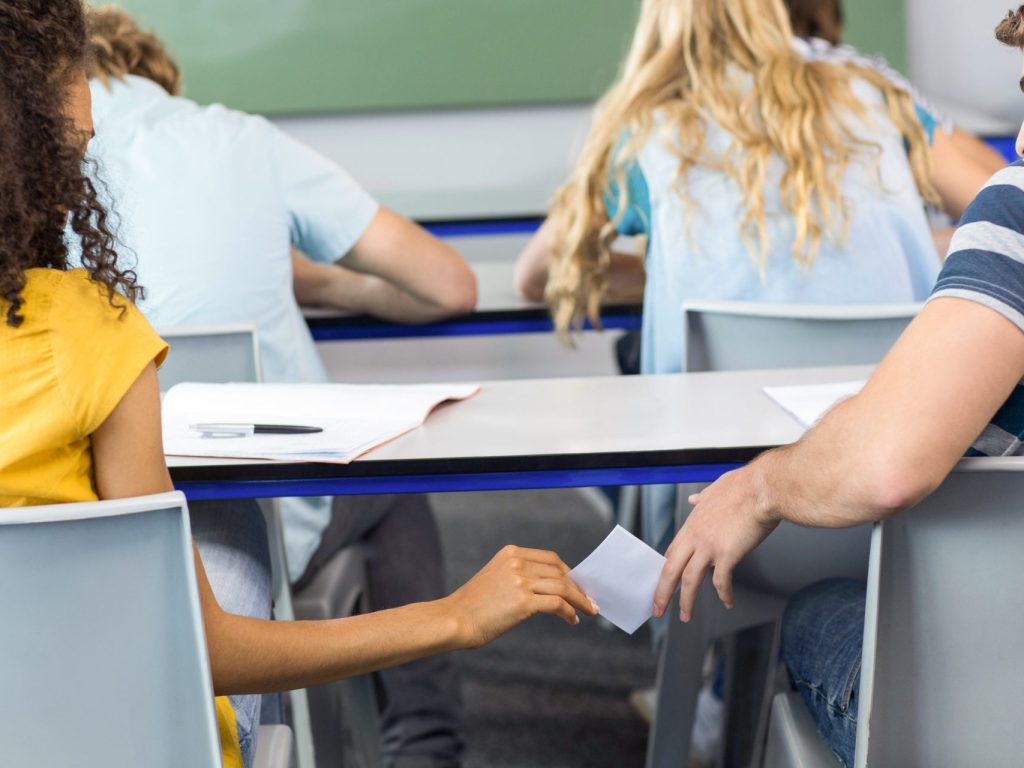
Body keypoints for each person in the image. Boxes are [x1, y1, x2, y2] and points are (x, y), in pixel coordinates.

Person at [0, 4, 598, 768]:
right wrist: (454, 616)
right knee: (264, 512)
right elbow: (196, 647)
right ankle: (427, 743)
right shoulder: (90, 330)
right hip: (139, 742)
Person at [84, 7, 477, 766]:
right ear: (159, 73)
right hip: (252, 526)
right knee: (393, 479)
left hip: (93, 538)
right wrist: (331, 285)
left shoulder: (32, 198)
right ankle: (426, 743)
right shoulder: (236, 138)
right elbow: (448, 285)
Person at [651, 9, 1024, 766]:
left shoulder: (1017, 211)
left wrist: (757, 489)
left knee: (819, 611)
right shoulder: (885, 100)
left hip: (990, 702)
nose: (1017, 142)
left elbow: (889, 463)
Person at [517, 0, 942, 562]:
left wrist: (678, 270)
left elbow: (539, 274)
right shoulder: (874, 97)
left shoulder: (647, 128)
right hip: (898, 489)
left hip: (720, 510)